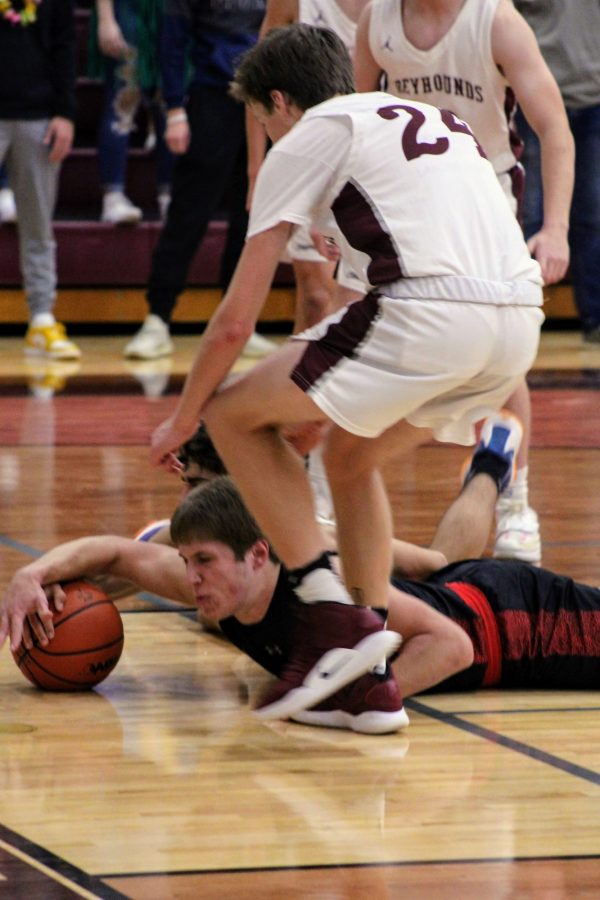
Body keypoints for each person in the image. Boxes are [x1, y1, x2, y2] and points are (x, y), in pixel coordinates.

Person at [149, 25, 544, 721]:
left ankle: (331, 617)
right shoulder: (419, 122)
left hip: (433, 312)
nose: (267, 137)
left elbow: (235, 322)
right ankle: (371, 684)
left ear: (279, 102)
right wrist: (317, 406)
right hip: (518, 325)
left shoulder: (310, 135)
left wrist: (183, 419)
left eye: (264, 122)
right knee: (352, 456)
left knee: (230, 413)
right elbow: (370, 312)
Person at [2, 461, 599, 735]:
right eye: (188, 562)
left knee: (436, 562)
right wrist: (30, 576)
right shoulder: (218, 586)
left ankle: (491, 465)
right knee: (440, 564)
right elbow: (114, 552)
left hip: (517, 622)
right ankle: (489, 464)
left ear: (258, 555)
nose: (192, 579)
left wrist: (353, 696)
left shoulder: (324, 591)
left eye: (204, 561)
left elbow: (453, 644)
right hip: (456, 596)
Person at [352, 0, 576, 566]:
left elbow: (554, 128)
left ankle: (515, 500)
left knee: (502, 352)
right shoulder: (376, 21)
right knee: (347, 319)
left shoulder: (495, 20)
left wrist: (555, 230)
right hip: (405, 200)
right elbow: (350, 121)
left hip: (485, 197)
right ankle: (336, 485)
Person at [123, 0, 275, 361]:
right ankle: (158, 318)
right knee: (189, 212)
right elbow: (172, 40)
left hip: (266, 102)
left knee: (252, 214)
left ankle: (237, 320)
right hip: (213, 96)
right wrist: (175, 109)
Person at [513, 0, 600, 345]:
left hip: (593, 98)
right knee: (529, 212)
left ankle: (594, 318)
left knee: (591, 214)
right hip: (537, 97)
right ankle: (519, 314)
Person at [0, 0, 81, 360]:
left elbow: (65, 45)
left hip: (38, 115)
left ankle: (42, 318)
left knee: (37, 226)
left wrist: (65, 112)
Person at [88, 0, 174, 224]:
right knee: (122, 101)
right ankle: (113, 196)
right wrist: (106, 19)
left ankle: (169, 196)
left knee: (169, 102)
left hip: (170, 11)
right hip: (126, 9)